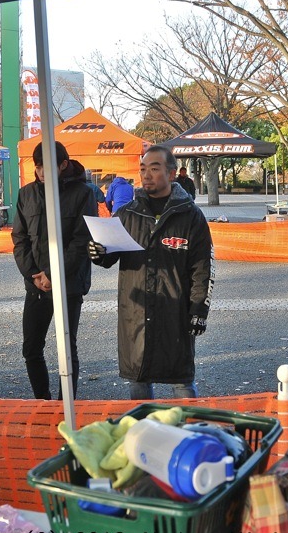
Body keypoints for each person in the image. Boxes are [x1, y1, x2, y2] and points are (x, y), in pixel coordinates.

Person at [89, 145, 213, 399]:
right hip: (135, 312)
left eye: (154, 169)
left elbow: (202, 267)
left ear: (171, 173)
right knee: (138, 379)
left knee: (182, 380)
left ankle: (189, 435)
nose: (146, 175)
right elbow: (111, 256)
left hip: (175, 312)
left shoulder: (190, 216)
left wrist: (199, 310)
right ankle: (144, 435)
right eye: (143, 169)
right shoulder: (127, 213)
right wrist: (99, 253)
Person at [12, 142, 96, 400]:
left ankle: (65, 404)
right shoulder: (26, 194)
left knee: (66, 348)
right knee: (31, 348)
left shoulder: (84, 193)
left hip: (69, 284)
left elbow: (81, 241)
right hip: (36, 285)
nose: (41, 172)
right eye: (37, 167)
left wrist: (53, 273)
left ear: (63, 165)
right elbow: (20, 238)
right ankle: (42, 401)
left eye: (47, 166)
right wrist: (34, 274)